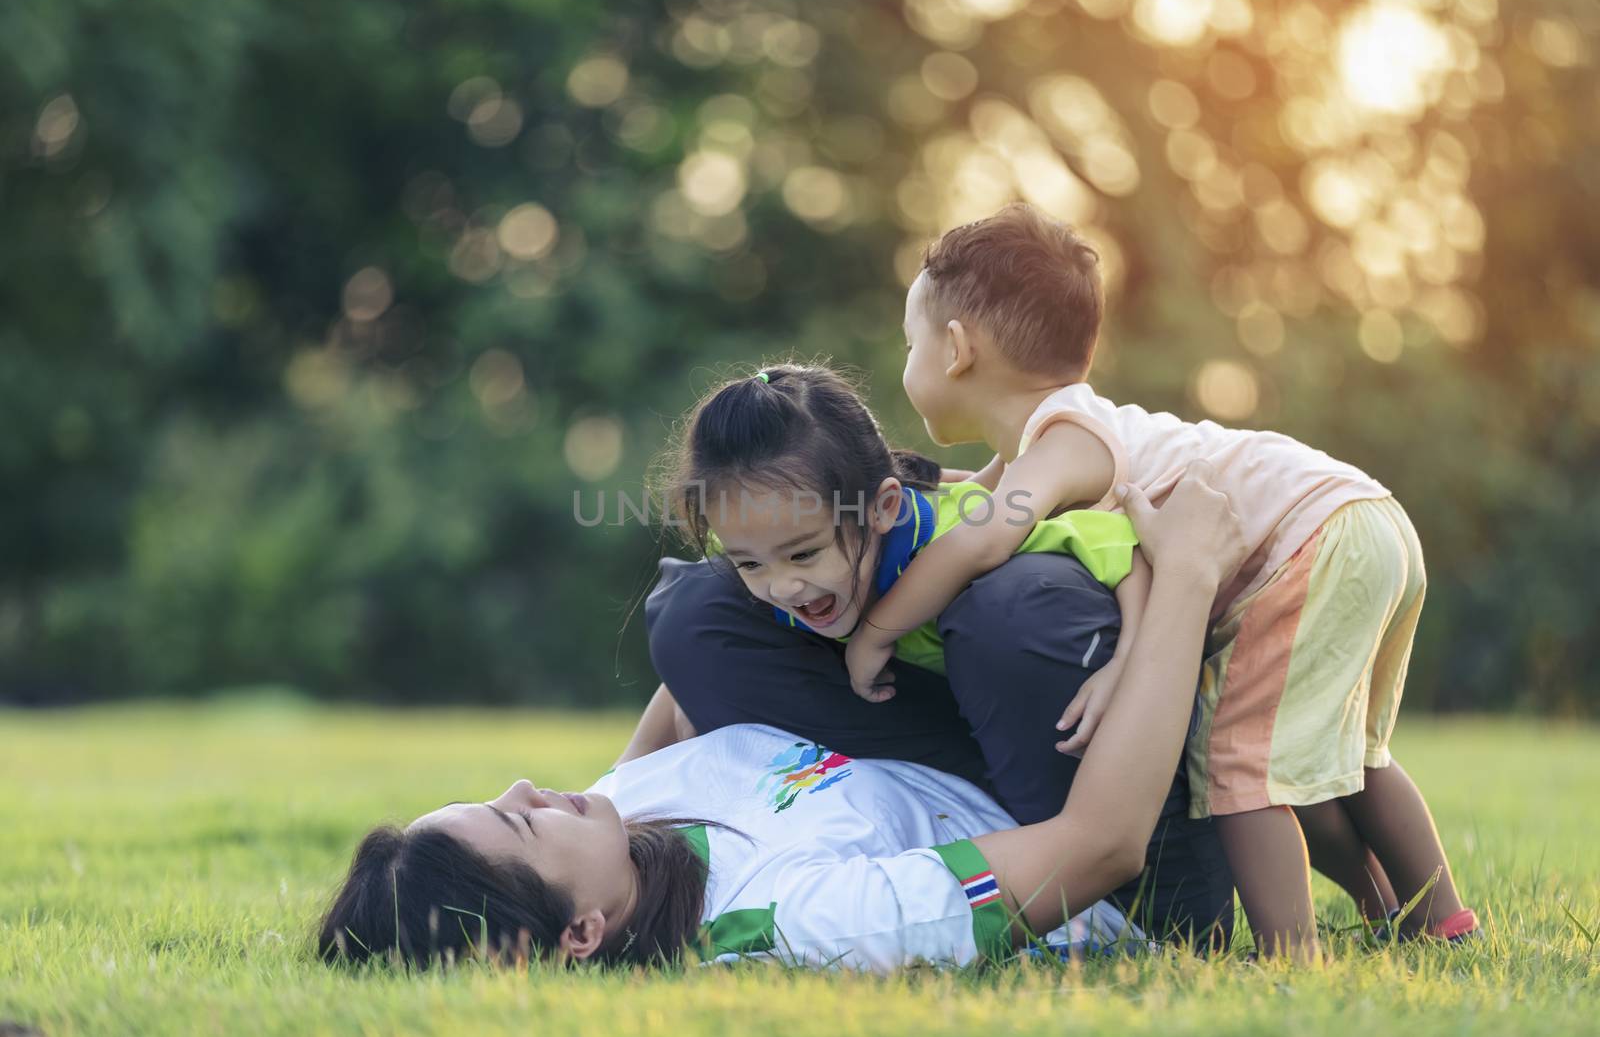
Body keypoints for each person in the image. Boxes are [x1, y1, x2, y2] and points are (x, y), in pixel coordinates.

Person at [842, 203, 1476, 960]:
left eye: (908, 342)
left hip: (1307, 539)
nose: (906, 359)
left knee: (1240, 760)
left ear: (954, 349)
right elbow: (968, 505)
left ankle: (1289, 957)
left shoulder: (1063, 440)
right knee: (1357, 756)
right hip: (1363, 519)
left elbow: (979, 540)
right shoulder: (1046, 445)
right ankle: (1436, 920)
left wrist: (876, 630)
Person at [318, 468, 1248, 971]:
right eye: (518, 819)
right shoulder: (800, 920)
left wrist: (923, 532)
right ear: (580, 933)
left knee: (690, 615)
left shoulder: (619, 817)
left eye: (499, 796)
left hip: (953, 758)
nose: (528, 786)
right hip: (1111, 852)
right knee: (1016, 613)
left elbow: (697, 673)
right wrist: (1186, 579)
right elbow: (1101, 845)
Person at [638, 362, 1233, 949]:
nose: (782, 586)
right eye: (750, 563)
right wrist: (619, 794)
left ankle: (1131, 894)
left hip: (1058, 732)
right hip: (954, 753)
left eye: (804, 555)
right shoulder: (780, 574)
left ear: (884, 507)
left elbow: (1119, 547)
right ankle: (979, 840)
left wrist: (1126, 663)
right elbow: (699, 658)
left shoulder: (965, 527)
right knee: (688, 610)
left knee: (1008, 608)